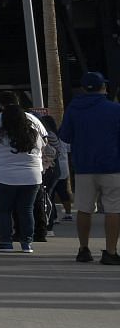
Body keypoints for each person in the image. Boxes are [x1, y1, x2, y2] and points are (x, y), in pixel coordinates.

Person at [59, 72, 120, 265]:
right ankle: (110, 251)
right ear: (103, 88)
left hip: (84, 166)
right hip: (112, 165)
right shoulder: (115, 109)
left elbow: (65, 136)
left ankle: (84, 249)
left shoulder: (74, 109)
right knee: (113, 209)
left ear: (83, 89)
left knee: (84, 209)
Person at [0, 92, 48, 252]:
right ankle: (27, 243)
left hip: (5, 176)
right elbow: (43, 148)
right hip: (32, 176)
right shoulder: (33, 133)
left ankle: (6, 242)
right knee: (26, 210)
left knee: (4, 210)